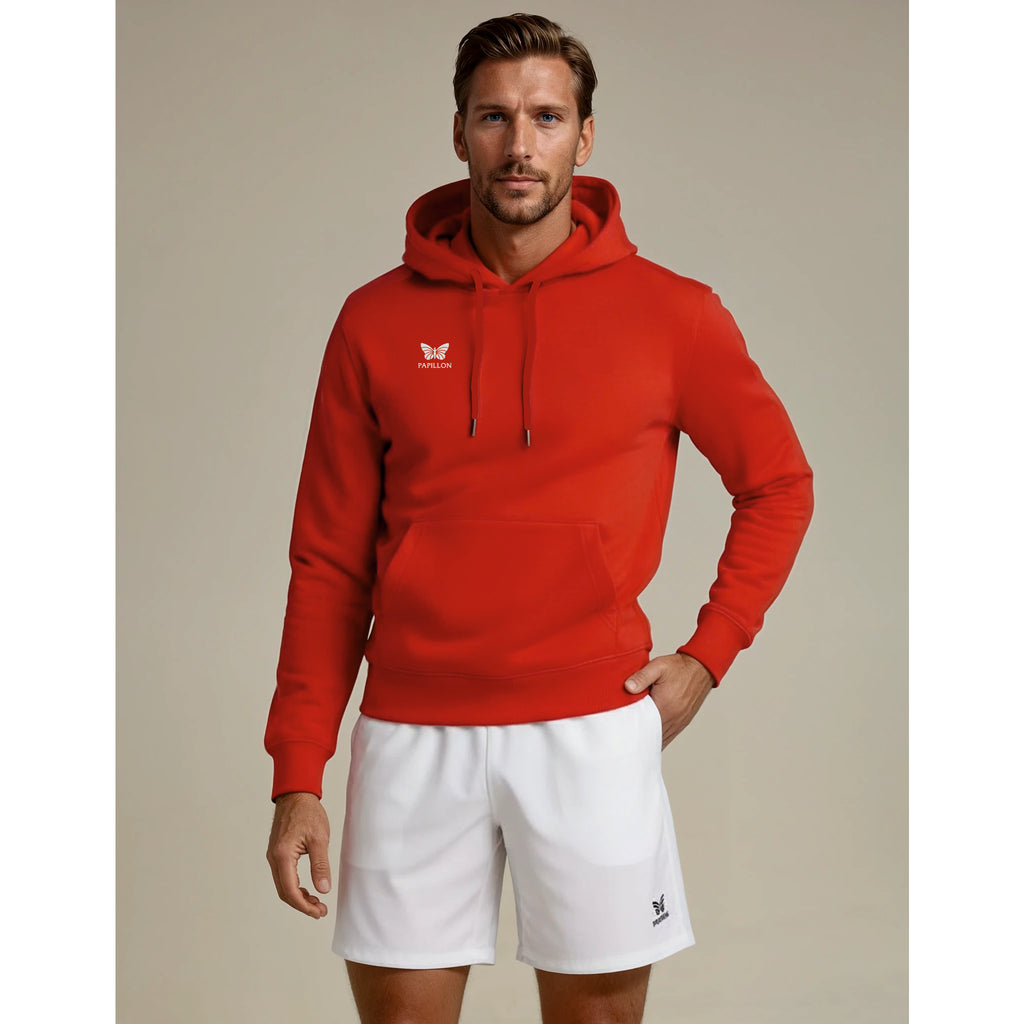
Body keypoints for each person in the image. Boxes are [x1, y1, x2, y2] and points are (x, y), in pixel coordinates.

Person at [264, 12, 813, 1023]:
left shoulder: (673, 313)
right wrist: (299, 769)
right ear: (459, 132)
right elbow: (328, 560)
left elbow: (778, 483)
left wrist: (710, 652)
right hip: (413, 731)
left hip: (590, 726)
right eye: (494, 117)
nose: (520, 145)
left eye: (546, 118)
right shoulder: (374, 320)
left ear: (584, 137)